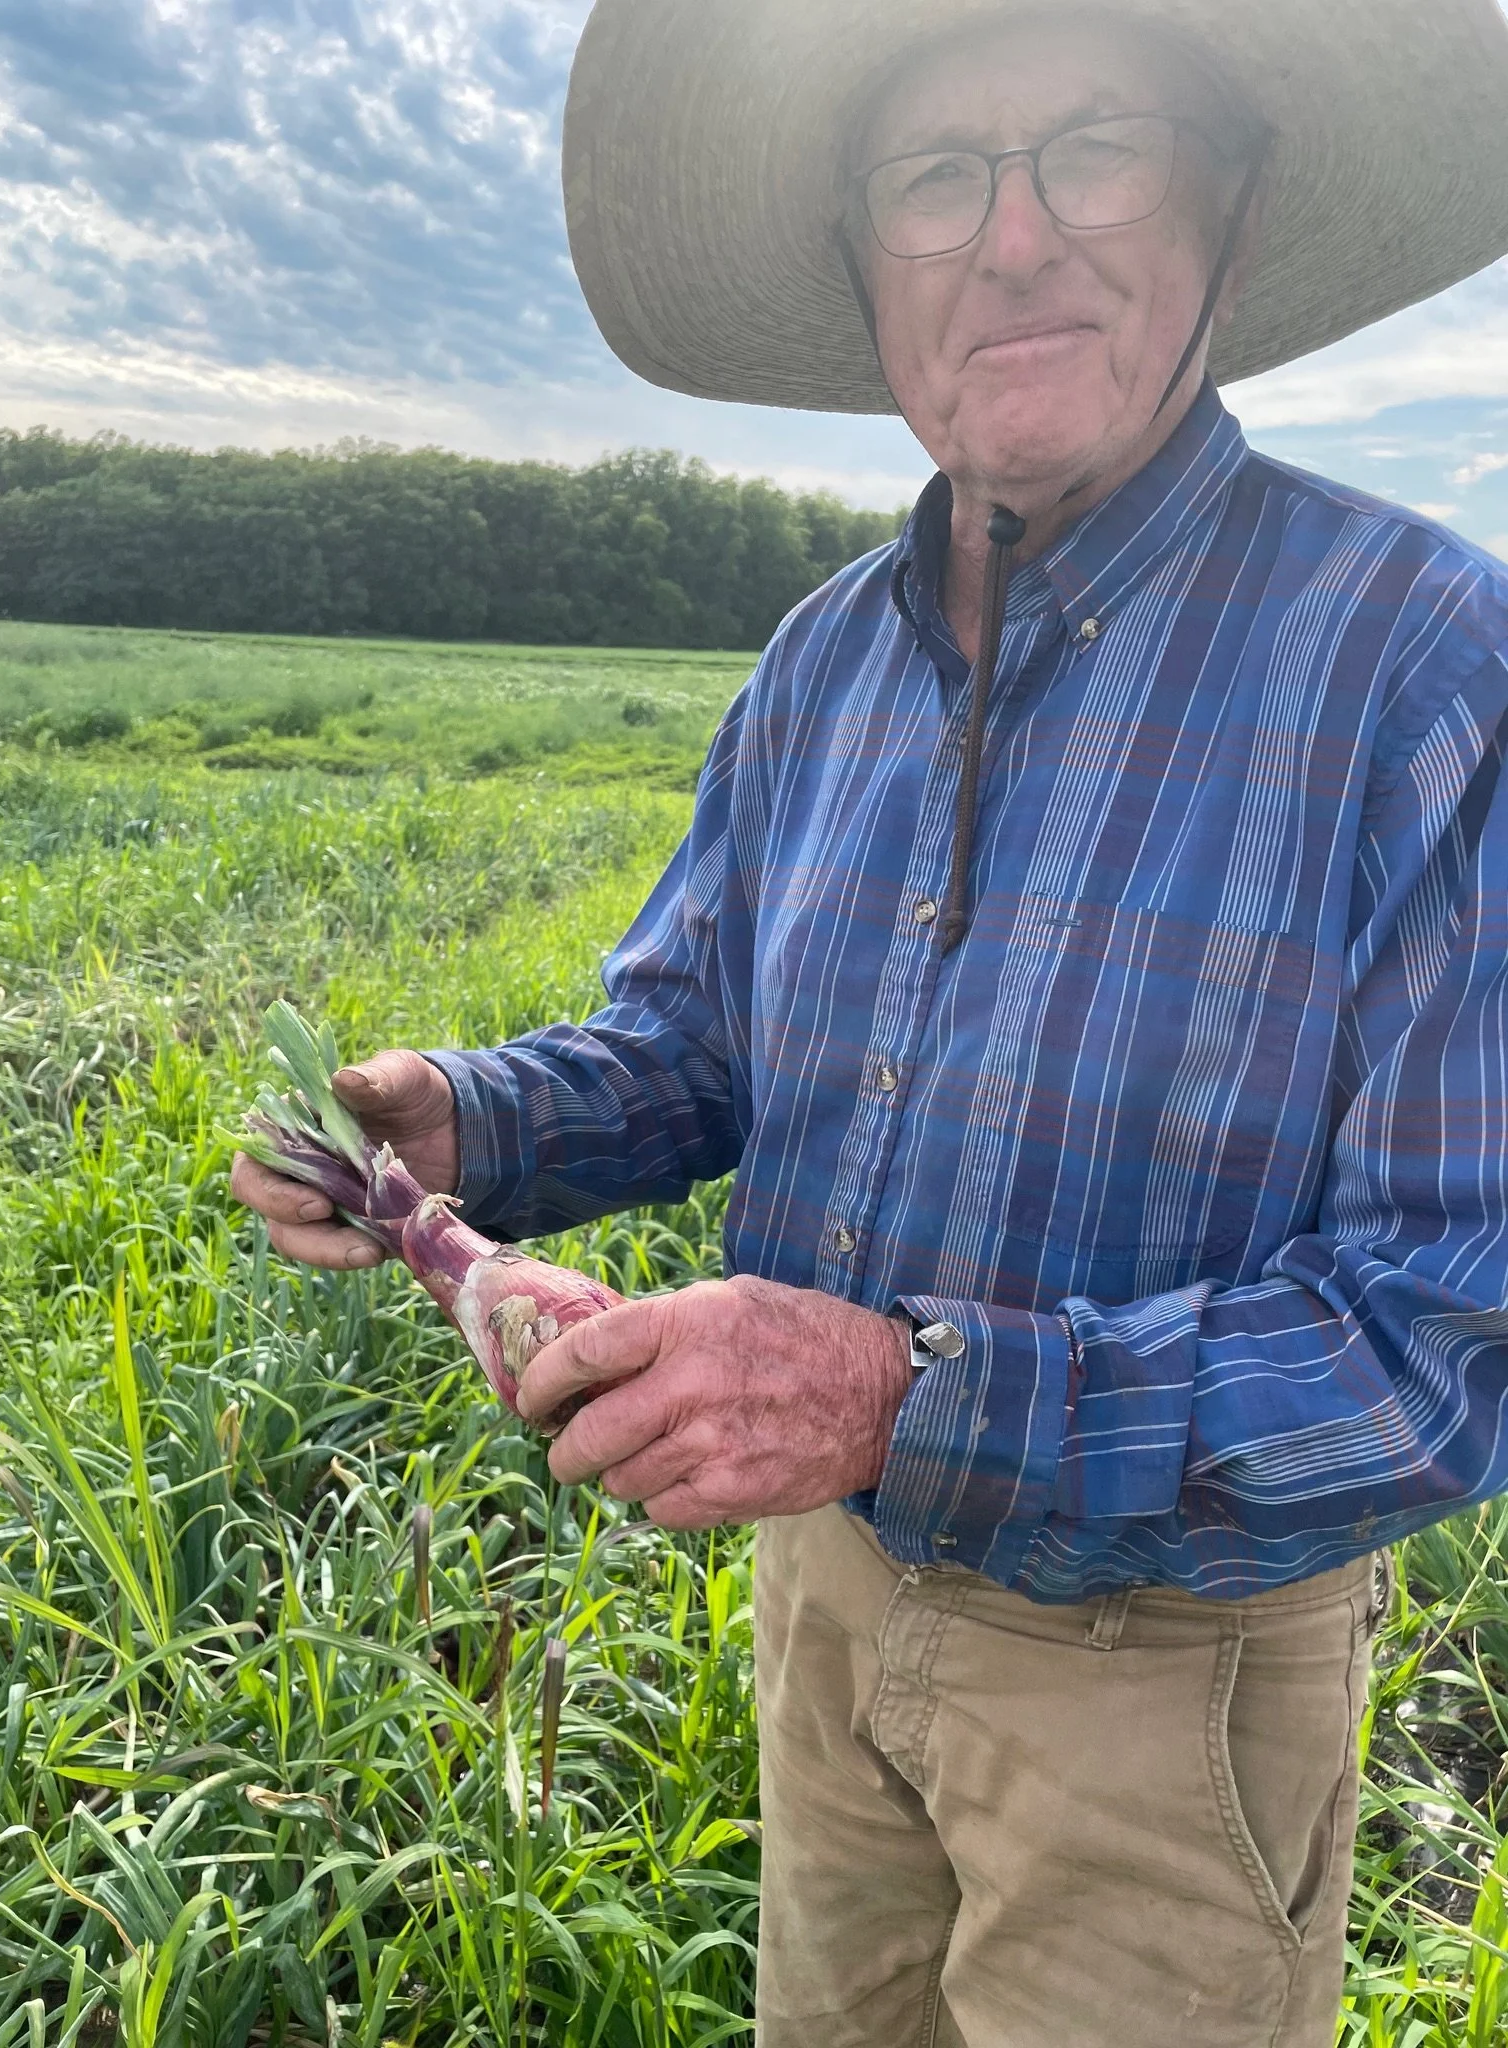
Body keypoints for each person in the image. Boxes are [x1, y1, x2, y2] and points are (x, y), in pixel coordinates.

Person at [233, 0, 1508, 2040]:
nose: (1013, 241)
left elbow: (1449, 1329)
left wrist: (907, 1391)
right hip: (821, 1592)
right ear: (867, 270)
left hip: (1164, 1673)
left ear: (1232, 217)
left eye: (1094, 147)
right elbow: (701, 1046)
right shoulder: (823, 659)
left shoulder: (1428, 669)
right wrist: (466, 1121)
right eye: (935, 178)